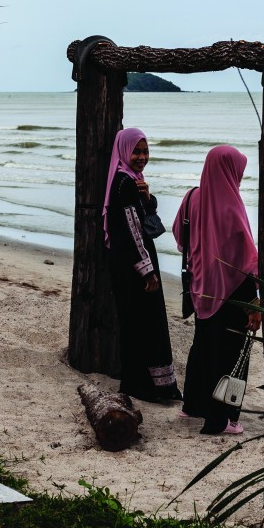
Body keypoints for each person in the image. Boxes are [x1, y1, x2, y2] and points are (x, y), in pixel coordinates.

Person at [174, 146, 261, 435]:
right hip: (231, 291)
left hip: (201, 287)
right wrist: (254, 303)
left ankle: (192, 406)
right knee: (231, 355)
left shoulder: (191, 198)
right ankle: (220, 420)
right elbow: (246, 260)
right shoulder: (232, 207)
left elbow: (178, 234)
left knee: (203, 347)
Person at [103, 128, 182, 403]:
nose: (142, 157)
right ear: (124, 151)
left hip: (133, 263)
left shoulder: (132, 181)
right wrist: (147, 270)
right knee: (144, 322)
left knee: (139, 321)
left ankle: (143, 384)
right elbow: (132, 229)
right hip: (135, 266)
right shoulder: (124, 183)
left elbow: (145, 219)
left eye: (145, 151)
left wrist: (149, 199)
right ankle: (147, 386)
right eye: (136, 151)